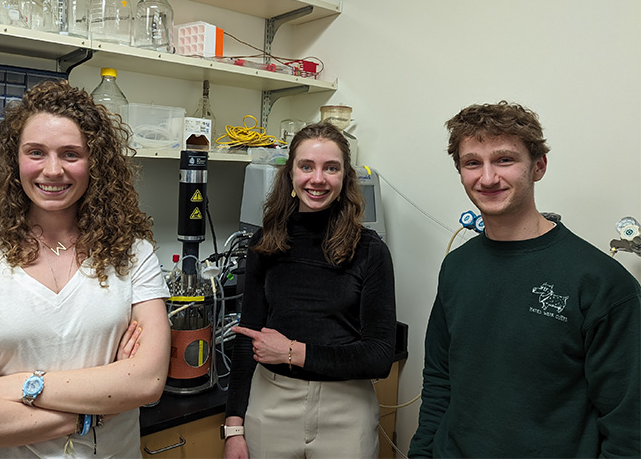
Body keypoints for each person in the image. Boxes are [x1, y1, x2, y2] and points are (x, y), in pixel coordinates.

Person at [0, 80, 171, 458]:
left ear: (95, 163)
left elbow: (147, 381)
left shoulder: (132, 255)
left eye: (71, 154)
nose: (53, 170)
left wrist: (10, 386)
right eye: (36, 152)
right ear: (14, 161)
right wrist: (93, 410)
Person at [409, 101, 641, 457]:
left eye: (504, 160)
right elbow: (440, 379)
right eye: (473, 162)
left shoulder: (602, 283)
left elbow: (628, 425)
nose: (487, 178)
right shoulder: (456, 267)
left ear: (538, 167)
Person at [223, 122, 397, 459]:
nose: (317, 179)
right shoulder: (265, 243)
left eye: (331, 168)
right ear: (290, 175)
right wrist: (233, 428)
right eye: (307, 167)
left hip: (346, 409)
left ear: (345, 177)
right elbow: (248, 338)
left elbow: (379, 356)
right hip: (270, 403)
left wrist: (292, 351)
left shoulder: (370, 251)